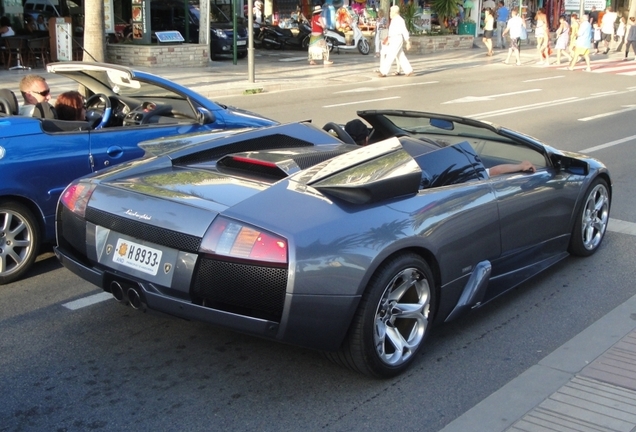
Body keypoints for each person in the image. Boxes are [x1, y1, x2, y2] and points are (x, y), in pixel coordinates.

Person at [379, 5, 413, 77]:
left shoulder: (400, 20)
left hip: (397, 39)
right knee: (400, 55)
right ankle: (408, 70)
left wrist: (408, 41)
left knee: (390, 55)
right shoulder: (394, 19)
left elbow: (404, 31)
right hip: (393, 38)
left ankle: (383, 71)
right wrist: (389, 39)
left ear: (394, 12)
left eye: (391, 11)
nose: (390, 13)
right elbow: (391, 32)